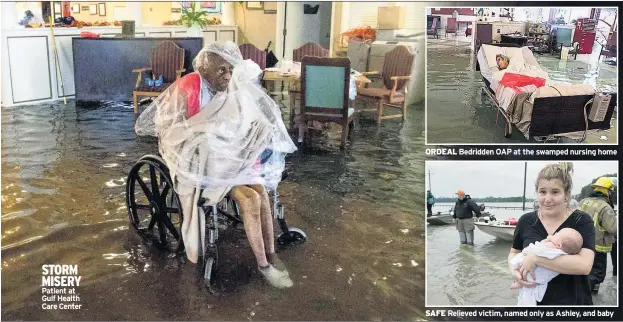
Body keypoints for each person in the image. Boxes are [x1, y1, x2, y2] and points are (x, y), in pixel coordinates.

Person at [136, 41, 296, 289]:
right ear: (204, 70)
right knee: (249, 199)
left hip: (230, 157)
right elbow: (167, 131)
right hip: (203, 164)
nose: (228, 75)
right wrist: (200, 132)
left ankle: (272, 254)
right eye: (221, 70)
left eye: (230, 69)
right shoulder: (189, 87)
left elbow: (241, 120)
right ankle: (264, 265)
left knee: (262, 191)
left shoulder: (231, 87)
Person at [508, 162, 595, 305]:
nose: (547, 199)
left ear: (566, 195)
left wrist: (536, 258)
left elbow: (584, 266)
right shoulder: (526, 221)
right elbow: (514, 252)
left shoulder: (582, 221)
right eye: (542, 192)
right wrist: (514, 271)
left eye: (555, 192)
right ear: (536, 193)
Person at [509, 228, 583, 305]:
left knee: (518, 260)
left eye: (556, 234)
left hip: (532, 273)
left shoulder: (551, 246)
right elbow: (513, 251)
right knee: (530, 293)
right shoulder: (564, 254)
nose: (555, 233)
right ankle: (520, 283)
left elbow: (538, 247)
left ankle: (520, 282)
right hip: (542, 279)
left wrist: (548, 239)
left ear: (559, 245)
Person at [577, 177, 617, 293]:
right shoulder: (605, 207)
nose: (611, 194)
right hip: (598, 247)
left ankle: (583, 293)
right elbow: (614, 229)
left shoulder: (583, 202)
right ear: (606, 191)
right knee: (596, 274)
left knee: (584, 270)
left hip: (581, 245)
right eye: (610, 191)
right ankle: (589, 298)